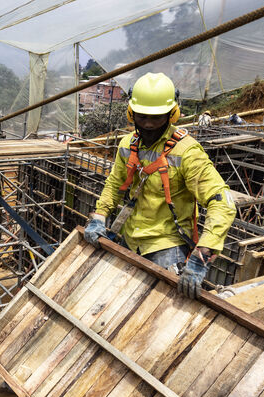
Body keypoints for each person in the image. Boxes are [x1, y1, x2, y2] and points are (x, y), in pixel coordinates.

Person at [83, 72, 236, 299]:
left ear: (172, 114)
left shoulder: (186, 151)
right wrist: (100, 215)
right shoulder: (127, 145)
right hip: (130, 238)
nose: (148, 124)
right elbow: (115, 183)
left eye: (157, 117)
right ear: (131, 113)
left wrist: (204, 249)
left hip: (167, 247)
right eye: (142, 116)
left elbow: (220, 200)